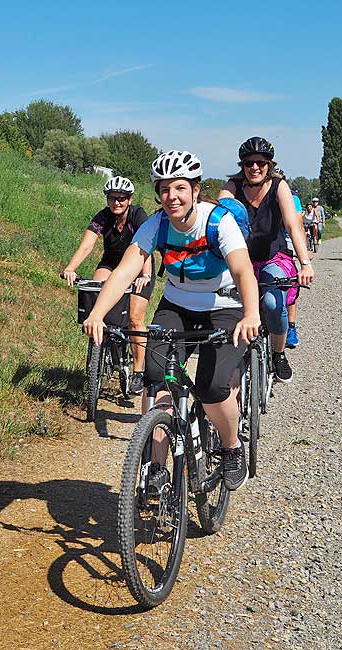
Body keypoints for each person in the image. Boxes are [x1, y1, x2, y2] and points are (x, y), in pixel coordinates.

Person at [83, 150, 261, 491]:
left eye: (179, 187)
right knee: (157, 376)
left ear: (195, 189)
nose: (171, 196)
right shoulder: (157, 224)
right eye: (164, 189)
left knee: (212, 386)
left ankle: (231, 446)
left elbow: (241, 269)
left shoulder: (217, 221)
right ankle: (155, 465)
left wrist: (251, 313)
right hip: (177, 306)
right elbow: (124, 271)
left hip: (224, 306)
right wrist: (97, 313)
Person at [219, 138, 315, 370]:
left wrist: (305, 263)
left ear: (269, 164)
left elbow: (293, 225)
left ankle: (279, 353)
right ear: (242, 165)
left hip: (274, 257)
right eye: (249, 163)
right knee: (227, 307)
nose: (255, 167)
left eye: (261, 162)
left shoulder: (278, 185)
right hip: (240, 261)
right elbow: (219, 213)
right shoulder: (232, 186)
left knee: (273, 304)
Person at [62, 176, 153, 394]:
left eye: (121, 198)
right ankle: (102, 350)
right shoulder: (103, 217)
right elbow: (87, 246)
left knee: (134, 318)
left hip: (140, 264)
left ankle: (139, 371)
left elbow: (147, 246)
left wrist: (146, 274)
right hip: (111, 264)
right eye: (112, 198)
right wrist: (70, 268)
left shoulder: (138, 215)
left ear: (129, 199)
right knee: (97, 296)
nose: (117, 203)